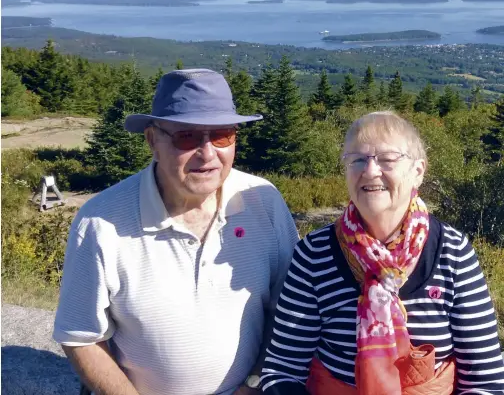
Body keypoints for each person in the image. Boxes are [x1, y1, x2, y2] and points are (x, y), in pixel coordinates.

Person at [53, 68, 300, 395]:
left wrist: (254, 382)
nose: (208, 153)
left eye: (223, 134)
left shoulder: (263, 201)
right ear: (153, 140)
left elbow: (289, 308)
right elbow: (81, 338)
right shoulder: (100, 223)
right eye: (187, 136)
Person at [261, 111, 504, 395]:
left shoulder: (452, 252)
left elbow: (485, 380)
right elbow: (282, 369)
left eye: (388, 159)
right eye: (358, 159)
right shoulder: (314, 254)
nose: (371, 170)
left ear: (418, 171)